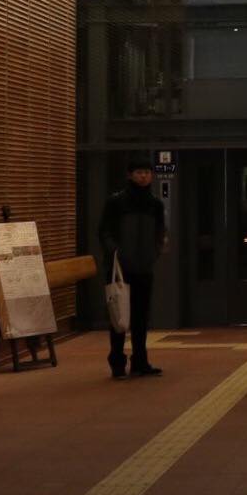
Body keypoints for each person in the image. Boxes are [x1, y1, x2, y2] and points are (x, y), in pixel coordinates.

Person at [99, 158, 167, 379]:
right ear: (130, 175)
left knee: (140, 317)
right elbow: (104, 231)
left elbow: (160, 231)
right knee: (119, 317)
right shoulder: (116, 202)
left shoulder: (155, 204)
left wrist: (154, 252)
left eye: (147, 172)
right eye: (139, 172)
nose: (144, 176)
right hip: (119, 268)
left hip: (144, 267)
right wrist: (116, 253)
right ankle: (117, 362)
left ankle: (140, 361)